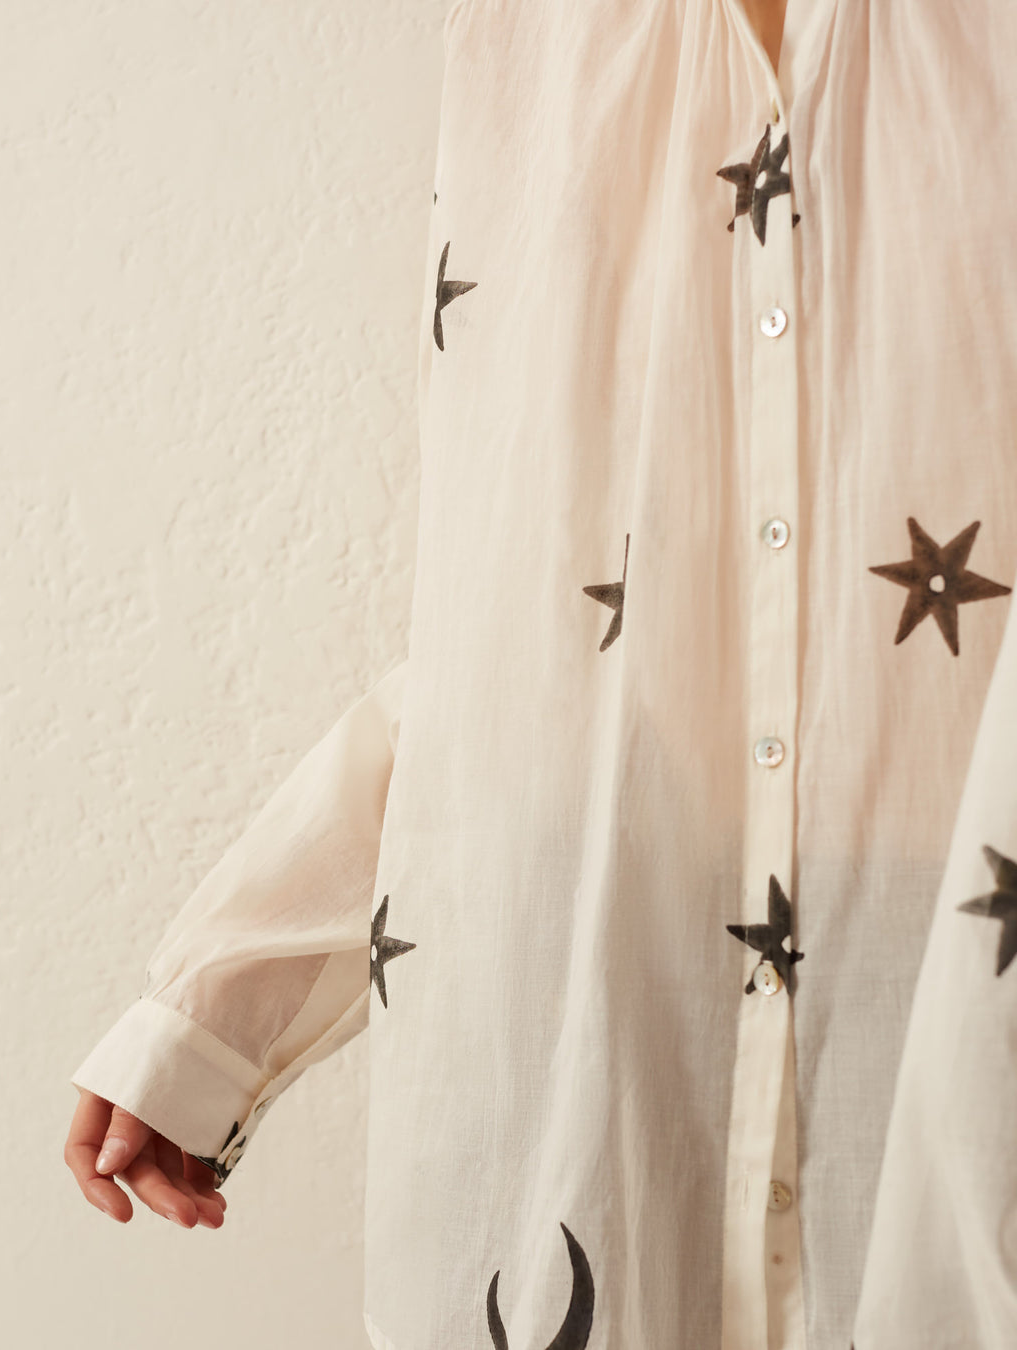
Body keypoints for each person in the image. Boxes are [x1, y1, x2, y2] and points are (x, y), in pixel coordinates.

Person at [66, 0, 1017, 1346]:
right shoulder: (535, 44)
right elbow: (511, 640)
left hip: (959, 1020)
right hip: (610, 1015)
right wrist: (216, 1009)